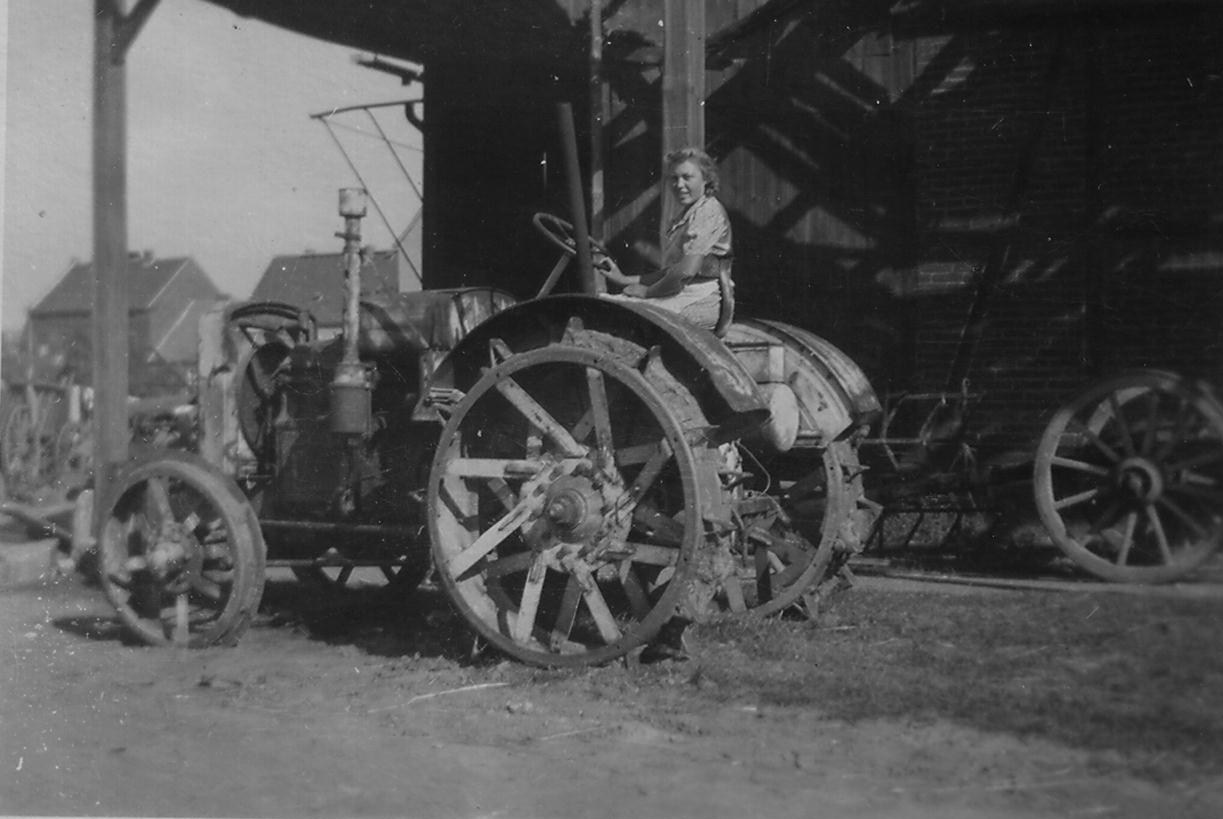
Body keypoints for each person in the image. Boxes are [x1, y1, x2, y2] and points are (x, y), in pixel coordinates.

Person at [597, 147, 733, 330]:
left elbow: (686, 272)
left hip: (699, 301)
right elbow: (671, 272)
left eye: (687, 177)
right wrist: (624, 279)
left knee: (617, 316)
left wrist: (647, 292)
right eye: (674, 178)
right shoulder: (690, 214)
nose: (679, 185)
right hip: (683, 294)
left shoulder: (708, 212)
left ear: (706, 178)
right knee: (608, 305)